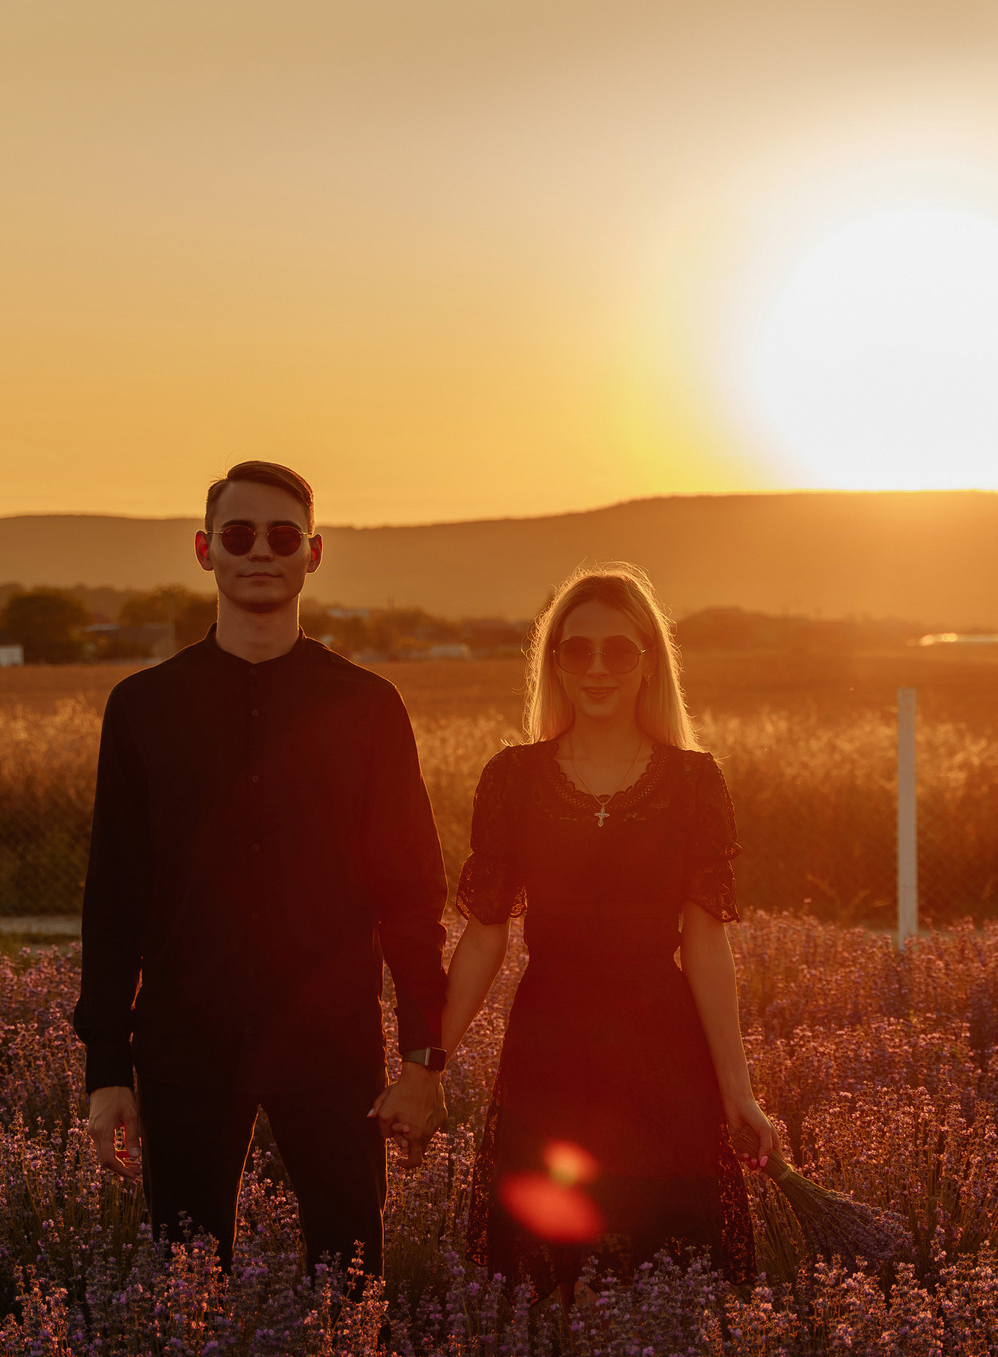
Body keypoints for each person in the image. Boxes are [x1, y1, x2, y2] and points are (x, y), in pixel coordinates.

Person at [73, 459, 450, 1277]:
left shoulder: (367, 707)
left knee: (351, 1280)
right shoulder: (143, 707)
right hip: (182, 1044)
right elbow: (114, 897)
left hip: (331, 1044)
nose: (260, 552)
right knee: (187, 1287)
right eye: (239, 535)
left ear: (313, 553)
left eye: (282, 536)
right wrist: (108, 1067)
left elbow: (412, 896)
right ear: (205, 550)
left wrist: (424, 1060)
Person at [440, 562, 781, 1293]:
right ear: (555, 661)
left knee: (671, 1268)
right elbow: (484, 936)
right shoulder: (514, 778)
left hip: (662, 1053)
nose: (598, 666)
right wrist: (426, 1064)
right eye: (578, 648)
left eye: (619, 649)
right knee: (541, 1275)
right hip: (547, 1053)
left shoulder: (693, 782)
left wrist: (738, 1093)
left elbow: (707, 945)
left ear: (648, 660)